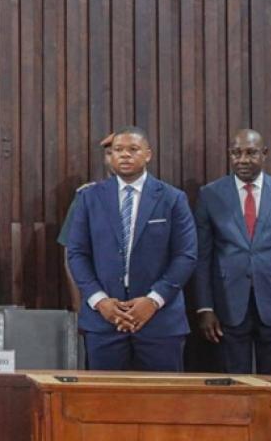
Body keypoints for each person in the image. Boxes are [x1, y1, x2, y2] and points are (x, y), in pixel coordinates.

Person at [66, 126, 197, 371]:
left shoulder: (172, 198)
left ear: (148, 154)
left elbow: (185, 256)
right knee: (104, 403)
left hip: (160, 321)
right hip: (104, 322)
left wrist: (153, 300)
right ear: (110, 156)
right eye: (118, 150)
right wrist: (100, 301)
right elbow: (77, 254)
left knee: (161, 404)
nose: (125, 155)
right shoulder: (89, 198)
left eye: (133, 149)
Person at [193, 129, 271, 391]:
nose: (242, 160)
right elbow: (202, 257)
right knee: (233, 388)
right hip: (227, 306)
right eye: (236, 153)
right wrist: (205, 307)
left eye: (250, 153)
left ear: (264, 154)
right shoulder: (210, 194)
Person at [58, 134, 114, 312]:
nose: (117, 157)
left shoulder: (161, 197)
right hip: (98, 301)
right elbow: (72, 255)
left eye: (128, 150)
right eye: (110, 153)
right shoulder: (87, 197)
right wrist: (79, 304)